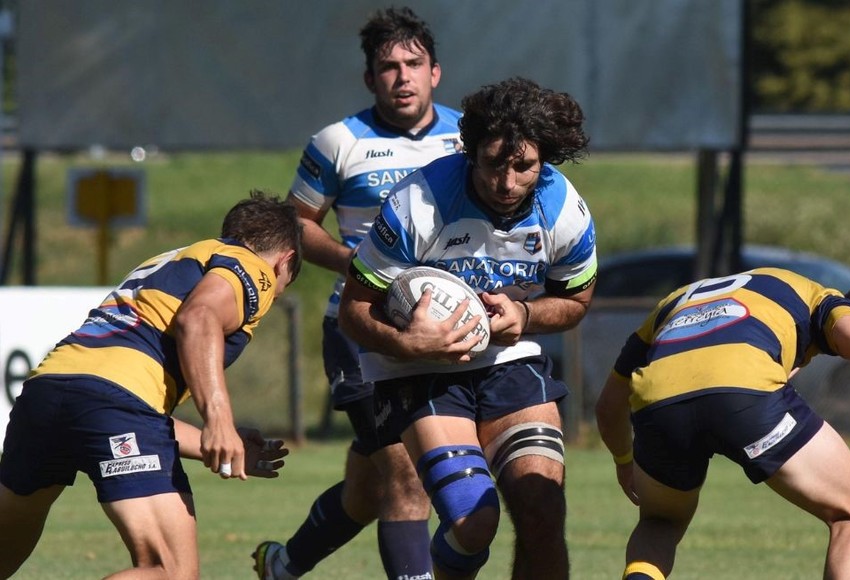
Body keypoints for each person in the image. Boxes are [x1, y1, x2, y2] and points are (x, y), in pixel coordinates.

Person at [338, 76, 596, 579]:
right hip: (415, 371)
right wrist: (407, 342)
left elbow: (576, 300)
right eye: (494, 163)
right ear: (470, 152)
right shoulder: (420, 202)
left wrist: (525, 316)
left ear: (544, 159)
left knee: (543, 509)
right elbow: (354, 308)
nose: (507, 182)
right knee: (474, 521)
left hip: (509, 361)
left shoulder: (563, 209)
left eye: (524, 167)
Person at [253, 6, 461, 580]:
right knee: (408, 476)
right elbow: (294, 225)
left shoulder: (470, 139)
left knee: (368, 490)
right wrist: (360, 264)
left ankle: (283, 565)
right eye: (388, 67)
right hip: (360, 326)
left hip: (445, 328)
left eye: (413, 64)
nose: (402, 77)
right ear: (370, 79)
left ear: (435, 72)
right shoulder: (338, 142)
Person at [0, 190, 299, 579]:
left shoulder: (174, 260)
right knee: (169, 572)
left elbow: (133, 406)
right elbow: (199, 318)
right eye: (284, 284)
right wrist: (219, 419)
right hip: (114, 397)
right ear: (285, 262)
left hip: (48, 389)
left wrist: (228, 443)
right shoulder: (252, 265)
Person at [595, 267, 850, 579]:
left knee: (660, 522)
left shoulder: (674, 302)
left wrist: (624, 462)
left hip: (660, 403)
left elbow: (607, 407)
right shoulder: (821, 298)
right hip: (743, 394)